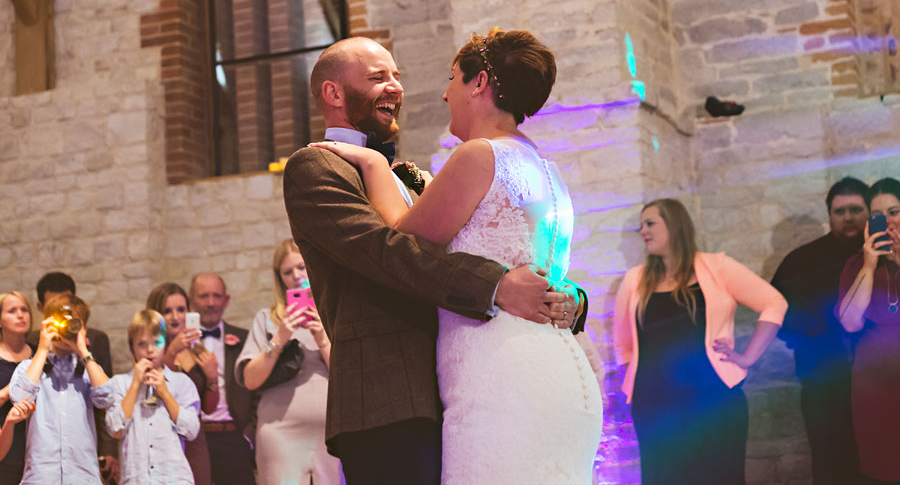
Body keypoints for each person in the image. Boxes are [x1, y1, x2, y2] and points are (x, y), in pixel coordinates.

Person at [302, 29, 600, 484]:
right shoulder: (317, 165)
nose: (402, 88)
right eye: (379, 76)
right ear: (333, 91)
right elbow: (390, 253)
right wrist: (502, 286)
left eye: (397, 76)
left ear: (478, 84)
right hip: (390, 399)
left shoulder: (437, 169)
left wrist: (560, 295)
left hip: (476, 380)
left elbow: (507, 259)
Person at [613, 198, 788, 485]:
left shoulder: (717, 267)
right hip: (656, 410)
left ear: (675, 225)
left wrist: (747, 357)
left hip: (713, 403)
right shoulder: (635, 280)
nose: (643, 231)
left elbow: (774, 302)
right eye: (641, 225)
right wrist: (637, 383)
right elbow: (624, 345)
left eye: (650, 223)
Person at [770, 177, 867, 483]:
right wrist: (805, 333)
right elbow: (772, 309)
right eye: (840, 211)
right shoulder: (801, 261)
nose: (848, 217)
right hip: (823, 384)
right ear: (829, 215)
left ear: (868, 212)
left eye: (855, 209)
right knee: (830, 466)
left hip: (878, 383)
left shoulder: (888, 257)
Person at [236, 239, 341, 485]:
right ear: (279, 277)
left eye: (302, 267)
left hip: (331, 435)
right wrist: (281, 337)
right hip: (280, 435)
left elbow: (349, 376)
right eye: (287, 271)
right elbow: (249, 380)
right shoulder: (267, 319)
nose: (296, 275)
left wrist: (322, 340)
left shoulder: (333, 312)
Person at [10, 293, 114, 483]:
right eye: (58, 322)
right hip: (41, 477)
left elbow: (106, 397)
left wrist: (82, 349)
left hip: (83, 477)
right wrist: (43, 348)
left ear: (83, 328)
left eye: (71, 324)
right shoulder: (29, 367)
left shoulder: (88, 370)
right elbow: (20, 399)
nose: (64, 329)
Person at [837, 177, 900, 483]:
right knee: (883, 470)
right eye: (878, 215)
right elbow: (850, 321)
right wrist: (869, 265)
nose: (888, 221)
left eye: (895, 210)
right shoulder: (856, 266)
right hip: (875, 389)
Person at [106, 309, 200, 484]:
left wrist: (164, 392)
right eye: (141, 344)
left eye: (157, 342)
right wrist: (135, 385)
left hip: (174, 478)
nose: (150, 350)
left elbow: (192, 430)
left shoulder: (181, 382)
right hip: (136, 478)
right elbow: (114, 428)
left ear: (165, 344)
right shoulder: (120, 383)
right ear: (132, 347)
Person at [190, 273, 258, 485]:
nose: (211, 303)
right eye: (203, 296)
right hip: (195, 439)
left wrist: (248, 436)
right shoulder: (180, 342)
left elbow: (257, 390)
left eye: (216, 296)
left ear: (226, 300)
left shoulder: (245, 339)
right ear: (192, 299)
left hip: (234, 437)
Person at [146, 282, 217, 485]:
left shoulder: (198, 350)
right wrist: (171, 353)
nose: (175, 317)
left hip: (195, 441)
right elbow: (152, 389)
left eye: (181, 310)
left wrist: (212, 379)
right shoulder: (148, 350)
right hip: (162, 439)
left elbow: (209, 408)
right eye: (167, 311)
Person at [0, 291, 34, 481]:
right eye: (12, 311)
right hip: (5, 451)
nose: (20, 315)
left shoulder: (40, 354)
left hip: (38, 450)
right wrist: (8, 391)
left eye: (24, 310)